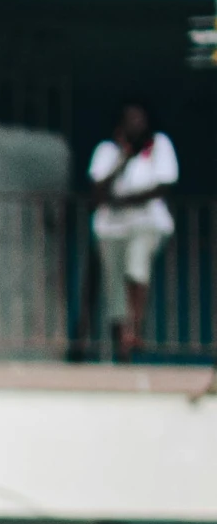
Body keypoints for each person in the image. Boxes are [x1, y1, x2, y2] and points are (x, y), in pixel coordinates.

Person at [88, 99, 177, 361]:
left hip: (147, 224)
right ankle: (122, 346)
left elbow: (163, 185)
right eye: (129, 120)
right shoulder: (107, 151)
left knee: (136, 269)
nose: (135, 125)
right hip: (110, 230)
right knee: (114, 286)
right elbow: (98, 191)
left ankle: (134, 329)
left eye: (139, 120)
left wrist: (123, 202)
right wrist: (124, 158)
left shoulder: (159, 146)